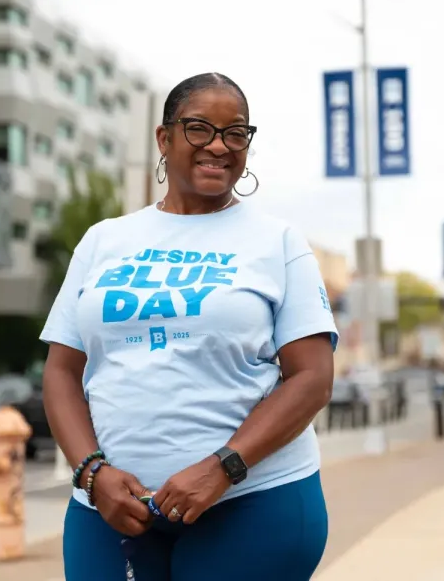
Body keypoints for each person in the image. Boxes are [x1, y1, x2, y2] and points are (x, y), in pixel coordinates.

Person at [40, 72, 338, 581]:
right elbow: (62, 372)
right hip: (111, 511)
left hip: (251, 504)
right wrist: (92, 474)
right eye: (199, 129)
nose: (218, 146)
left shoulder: (278, 242)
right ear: (165, 138)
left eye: (235, 133)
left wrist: (221, 468)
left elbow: (313, 377)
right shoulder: (103, 241)